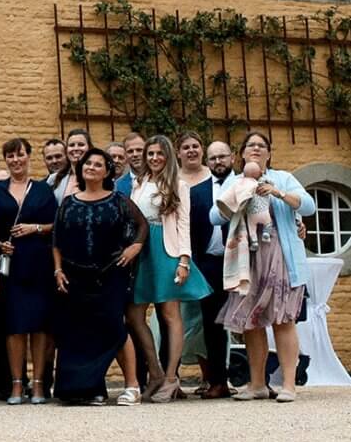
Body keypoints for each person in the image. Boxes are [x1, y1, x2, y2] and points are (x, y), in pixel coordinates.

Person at [216, 130, 316, 402]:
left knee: (284, 320)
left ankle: (288, 385)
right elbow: (215, 216)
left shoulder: (283, 177)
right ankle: (257, 384)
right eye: (251, 146)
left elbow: (308, 207)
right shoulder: (235, 182)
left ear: (269, 153)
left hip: (281, 258)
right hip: (246, 261)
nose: (256, 149)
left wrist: (278, 192)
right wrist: (239, 194)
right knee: (251, 322)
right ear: (242, 154)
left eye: (262, 146)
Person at [52, 146, 149, 405]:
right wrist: (58, 269)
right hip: (74, 275)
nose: (91, 168)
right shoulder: (68, 202)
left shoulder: (118, 200)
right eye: (87, 164)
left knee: (114, 327)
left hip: (110, 274)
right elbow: (57, 239)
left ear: (107, 171)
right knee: (78, 332)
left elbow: (142, 225)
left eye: (97, 164)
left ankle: (132, 386)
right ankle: (87, 389)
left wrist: (134, 247)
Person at [127, 131, 211, 401]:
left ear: (168, 156)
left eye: (159, 153)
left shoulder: (178, 184)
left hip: (166, 249)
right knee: (135, 315)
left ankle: (172, 377)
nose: (154, 158)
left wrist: (184, 260)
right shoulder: (139, 183)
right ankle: (156, 371)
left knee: (170, 314)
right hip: (141, 249)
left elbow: (183, 224)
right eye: (150, 153)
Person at [0, 138, 57, 404]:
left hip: (40, 264)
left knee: (40, 326)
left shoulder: (42, 190)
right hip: (11, 268)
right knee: (14, 326)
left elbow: (57, 224)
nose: (16, 160)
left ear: (29, 157)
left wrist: (35, 228)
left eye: (20, 155)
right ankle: (17, 384)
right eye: (10, 156)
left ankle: (39, 384)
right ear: (5, 160)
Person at [195, 138, 237, 397]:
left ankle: (260, 380)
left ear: (232, 157)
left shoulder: (245, 183)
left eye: (222, 156)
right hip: (209, 263)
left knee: (253, 321)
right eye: (213, 158)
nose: (218, 161)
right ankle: (218, 381)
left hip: (242, 260)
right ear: (206, 161)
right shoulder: (196, 191)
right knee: (213, 324)